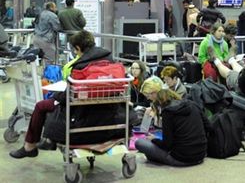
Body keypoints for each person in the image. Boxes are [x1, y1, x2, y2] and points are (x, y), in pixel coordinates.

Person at [9, 30, 126, 158]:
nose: (75, 53)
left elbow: (69, 94)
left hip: (81, 110)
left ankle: (29, 147)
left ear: (78, 47)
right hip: (108, 109)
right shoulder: (110, 60)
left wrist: (56, 97)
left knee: (41, 106)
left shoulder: (81, 65)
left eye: (75, 50)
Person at [135, 89, 210, 166]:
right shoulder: (193, 104)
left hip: (182, 158)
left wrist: (154, 139)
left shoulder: (168, 112)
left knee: (139, 143)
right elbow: (208, 126)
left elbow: (167, 145)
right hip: (201, 154)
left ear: (160, 102)